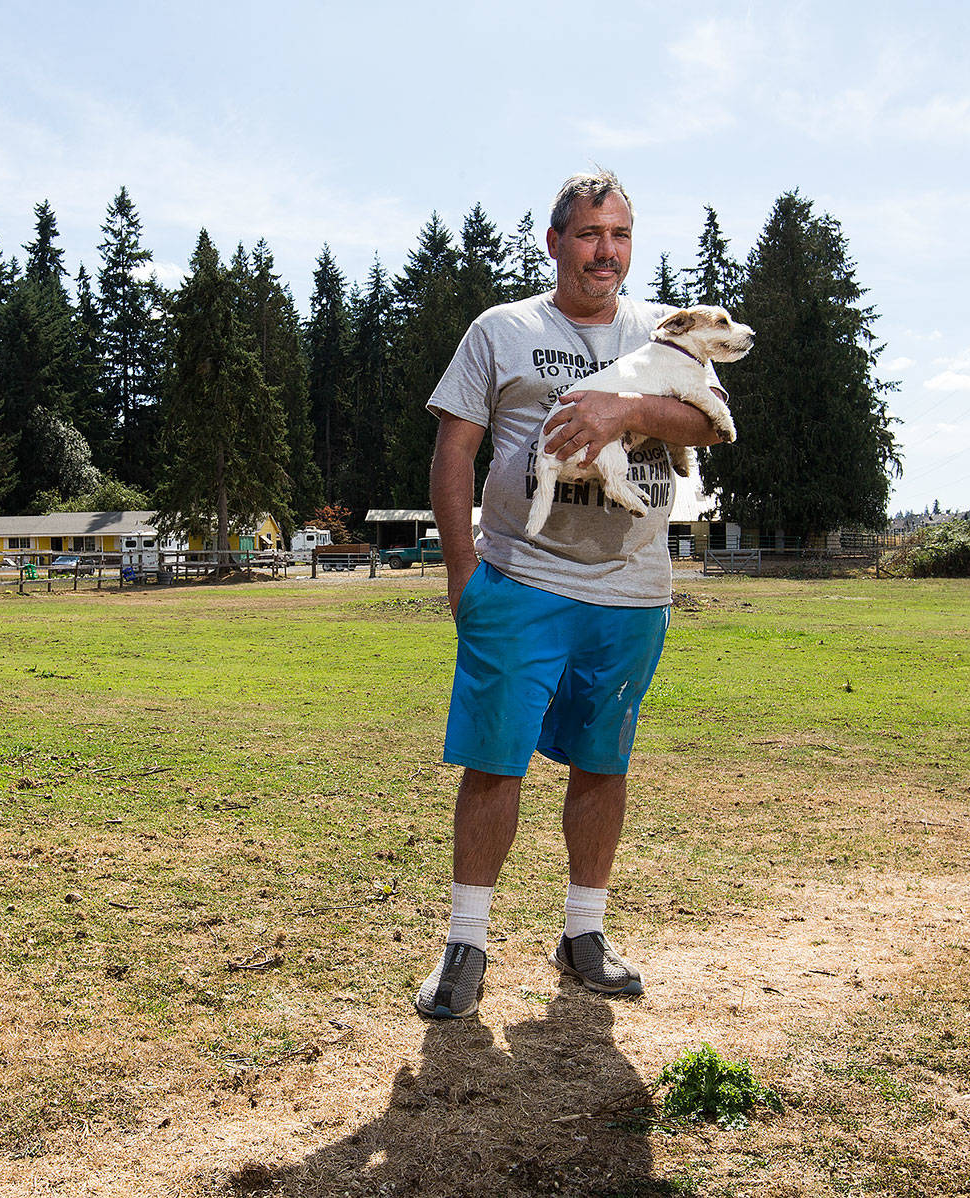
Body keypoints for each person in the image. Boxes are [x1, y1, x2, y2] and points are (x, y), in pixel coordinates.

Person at [415, 171, 730, 1019]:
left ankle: (583, 932)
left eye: (620, 235)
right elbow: (454, 457)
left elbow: (710, 423)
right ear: (555, 243)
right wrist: (461, 575)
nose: (607, 252)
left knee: (603, 761)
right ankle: (466, 943)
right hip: (520, 580)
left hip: (633, 589)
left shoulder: (665, 332)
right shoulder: (502, 330)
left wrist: (625, 409)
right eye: (590, 235)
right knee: (495, 759)